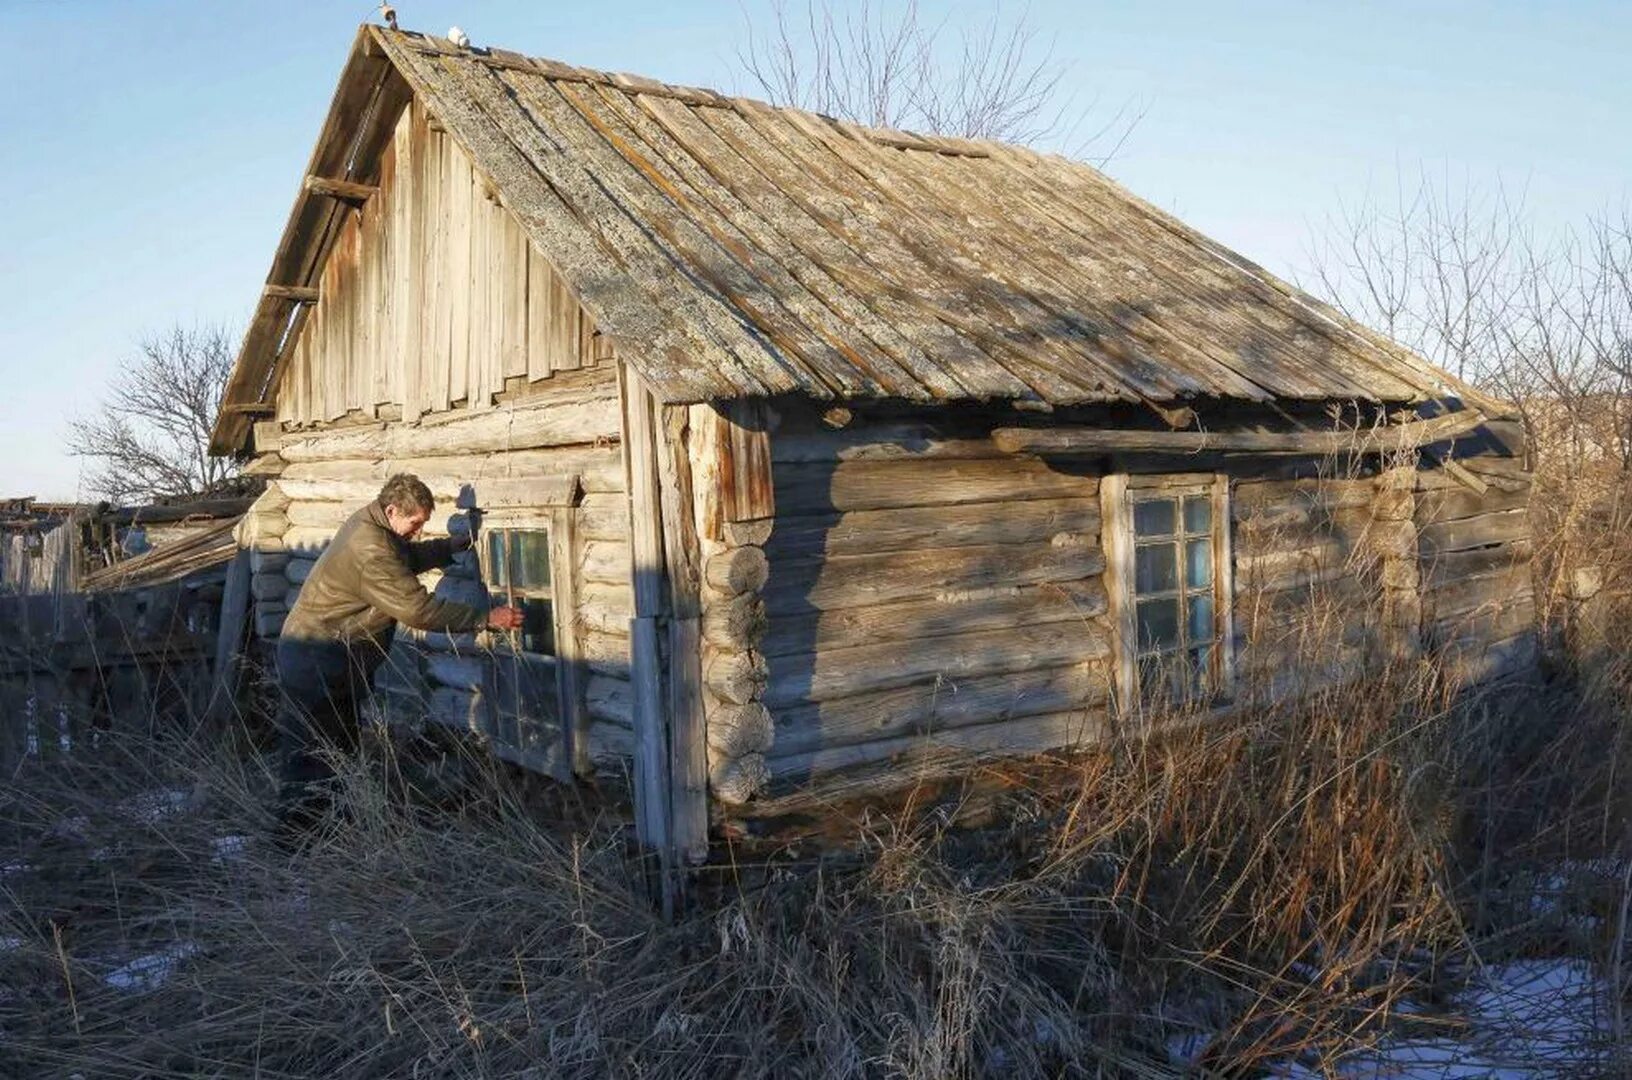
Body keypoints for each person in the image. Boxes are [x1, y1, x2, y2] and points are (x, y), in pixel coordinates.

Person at [273, 473, 523, 839]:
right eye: (416, 523)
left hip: (327, 659)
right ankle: (293, 847)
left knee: (336, 752)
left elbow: (403, 556)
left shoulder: (375, 527)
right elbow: (417, 609)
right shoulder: (370, 547)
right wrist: (484, 618)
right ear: (392, 510)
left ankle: (330, 838)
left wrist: (446, 547)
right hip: (317, 661)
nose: (418, 532)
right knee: (312, 760)